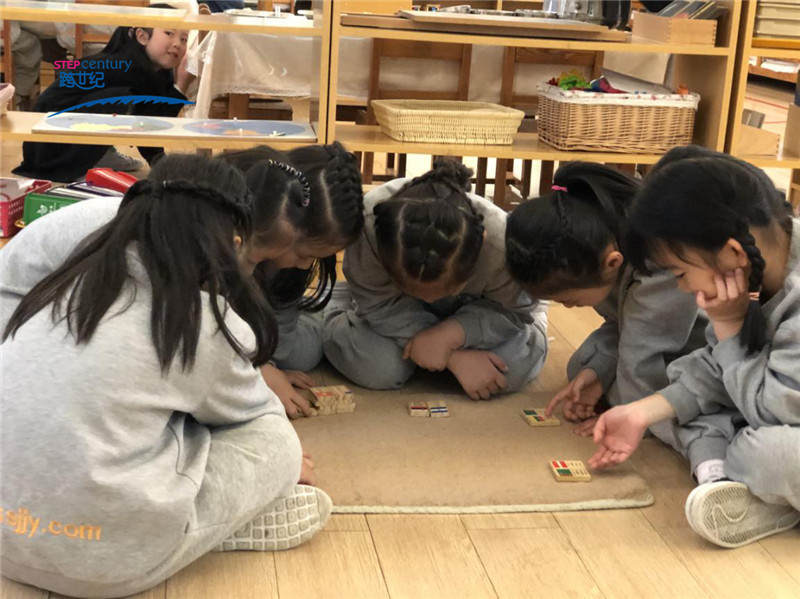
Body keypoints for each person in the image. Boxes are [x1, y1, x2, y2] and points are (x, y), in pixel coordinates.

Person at [0, 154, 331, 598]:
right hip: (106, 564)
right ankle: (199, 533)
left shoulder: (63, 282)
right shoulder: (202, 320)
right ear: (232, 242)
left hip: (6, 544)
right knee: (277, 446)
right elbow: (258, 419)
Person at [588, 147, 800, 548]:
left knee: (764, 454)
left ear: (733, 253)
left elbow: (772, 412)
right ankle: (770, 497)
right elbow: (719, 365)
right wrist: (643, 411)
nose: (683, 287)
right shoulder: (754, 272)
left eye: (680, 273)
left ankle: (765, 493)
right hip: (781, 402)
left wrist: (729, 326)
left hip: (779, 414)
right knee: (695, 407)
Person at [505, 162, 724, 462]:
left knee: (650, 393)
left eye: (570, 301)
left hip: (702, 347)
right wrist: (598, 371)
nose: (568, 307)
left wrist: (629, 415)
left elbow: (643, 352)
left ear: (612, 263)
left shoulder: (658, 265)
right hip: (653, 340)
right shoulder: (599, 254)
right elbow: (621, 323)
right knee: (583, 368)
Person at [323, 159, 548, 400]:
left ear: (481, 244)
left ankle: (427, 353)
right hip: (392, 309)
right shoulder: (371, 224)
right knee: (379, 368)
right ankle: (338, 306)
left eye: (447, 289)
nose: (431, 300)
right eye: (413, 288)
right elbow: (378, 303)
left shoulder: (504, 244)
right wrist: (453, 357)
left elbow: (514, 312)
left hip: (483, 310)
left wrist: (451, 335)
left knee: (512, 369)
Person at [221, 142, 364, 418]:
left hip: (256, 324)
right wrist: (258, 370)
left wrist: (267, 364)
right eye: (303, 254)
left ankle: (331, 310)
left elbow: (280, 330)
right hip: (214, 331)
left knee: (301, 355)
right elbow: (207, 330)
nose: (306, 265)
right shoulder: (230, 244)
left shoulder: (279, 256)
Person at [13, 14, 193, 181]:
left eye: (184, 39)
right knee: (119, 97)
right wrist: (162, 166)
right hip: (48, 149)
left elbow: (155, 121)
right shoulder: (126, 66)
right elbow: (148, 121)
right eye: (169, 33)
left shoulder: (156, 70)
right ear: (142, 36)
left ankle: (101, 154)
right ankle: (81, 164)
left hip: (58, 138)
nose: (177, 44)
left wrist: (180, 84)